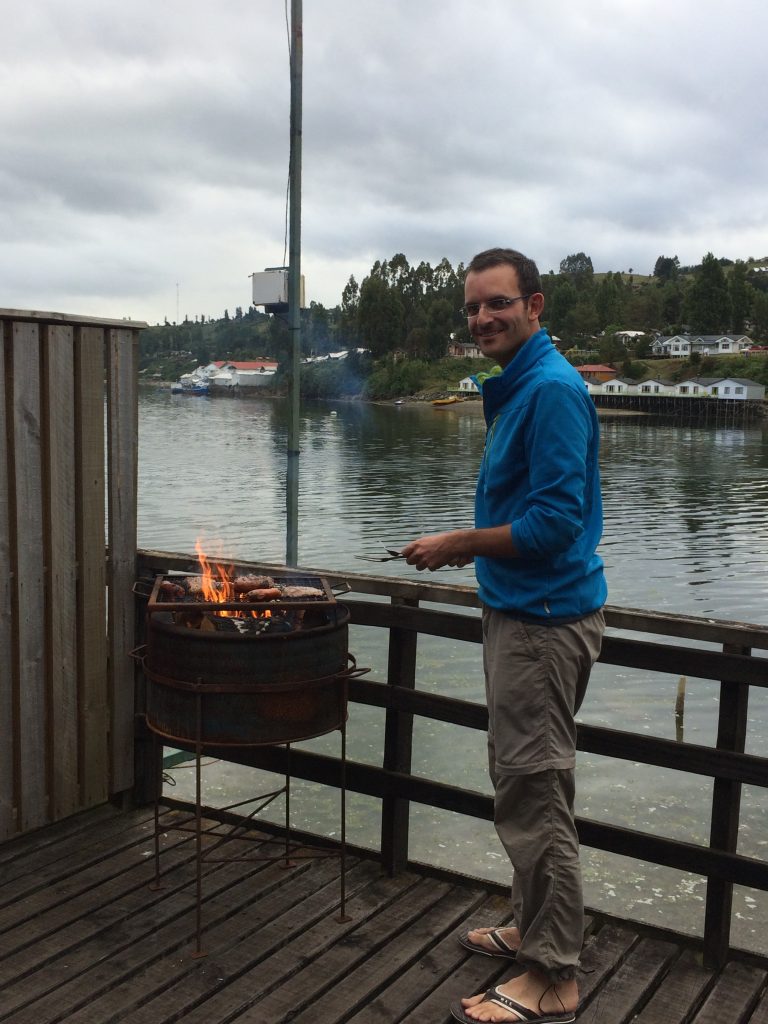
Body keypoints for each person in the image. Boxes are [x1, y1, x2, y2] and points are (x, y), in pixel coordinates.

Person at [401, 247, 606, 1024]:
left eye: (497, 303)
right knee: (521, 778)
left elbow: (554, 524)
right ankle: (533, 924)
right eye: (472, 307)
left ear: (534, 305)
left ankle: (553, 973)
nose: (482, 318)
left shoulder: (550, 390)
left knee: (535, 790)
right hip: (523, 613)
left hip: (544, 622)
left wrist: (460, 542)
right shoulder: (522, 384)